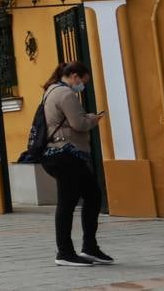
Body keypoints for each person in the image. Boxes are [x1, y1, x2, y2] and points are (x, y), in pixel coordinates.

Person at [39, 61, 111, 267]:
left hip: (59, 154)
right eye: (83, 81)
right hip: (66, 154)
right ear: (75, 76)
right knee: (68, 202)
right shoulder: (66, 94)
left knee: (91, 195)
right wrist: (93, 119)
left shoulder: (50, 91)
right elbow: (78, 123)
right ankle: (65, 252)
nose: (83, 86)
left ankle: (89, 248)